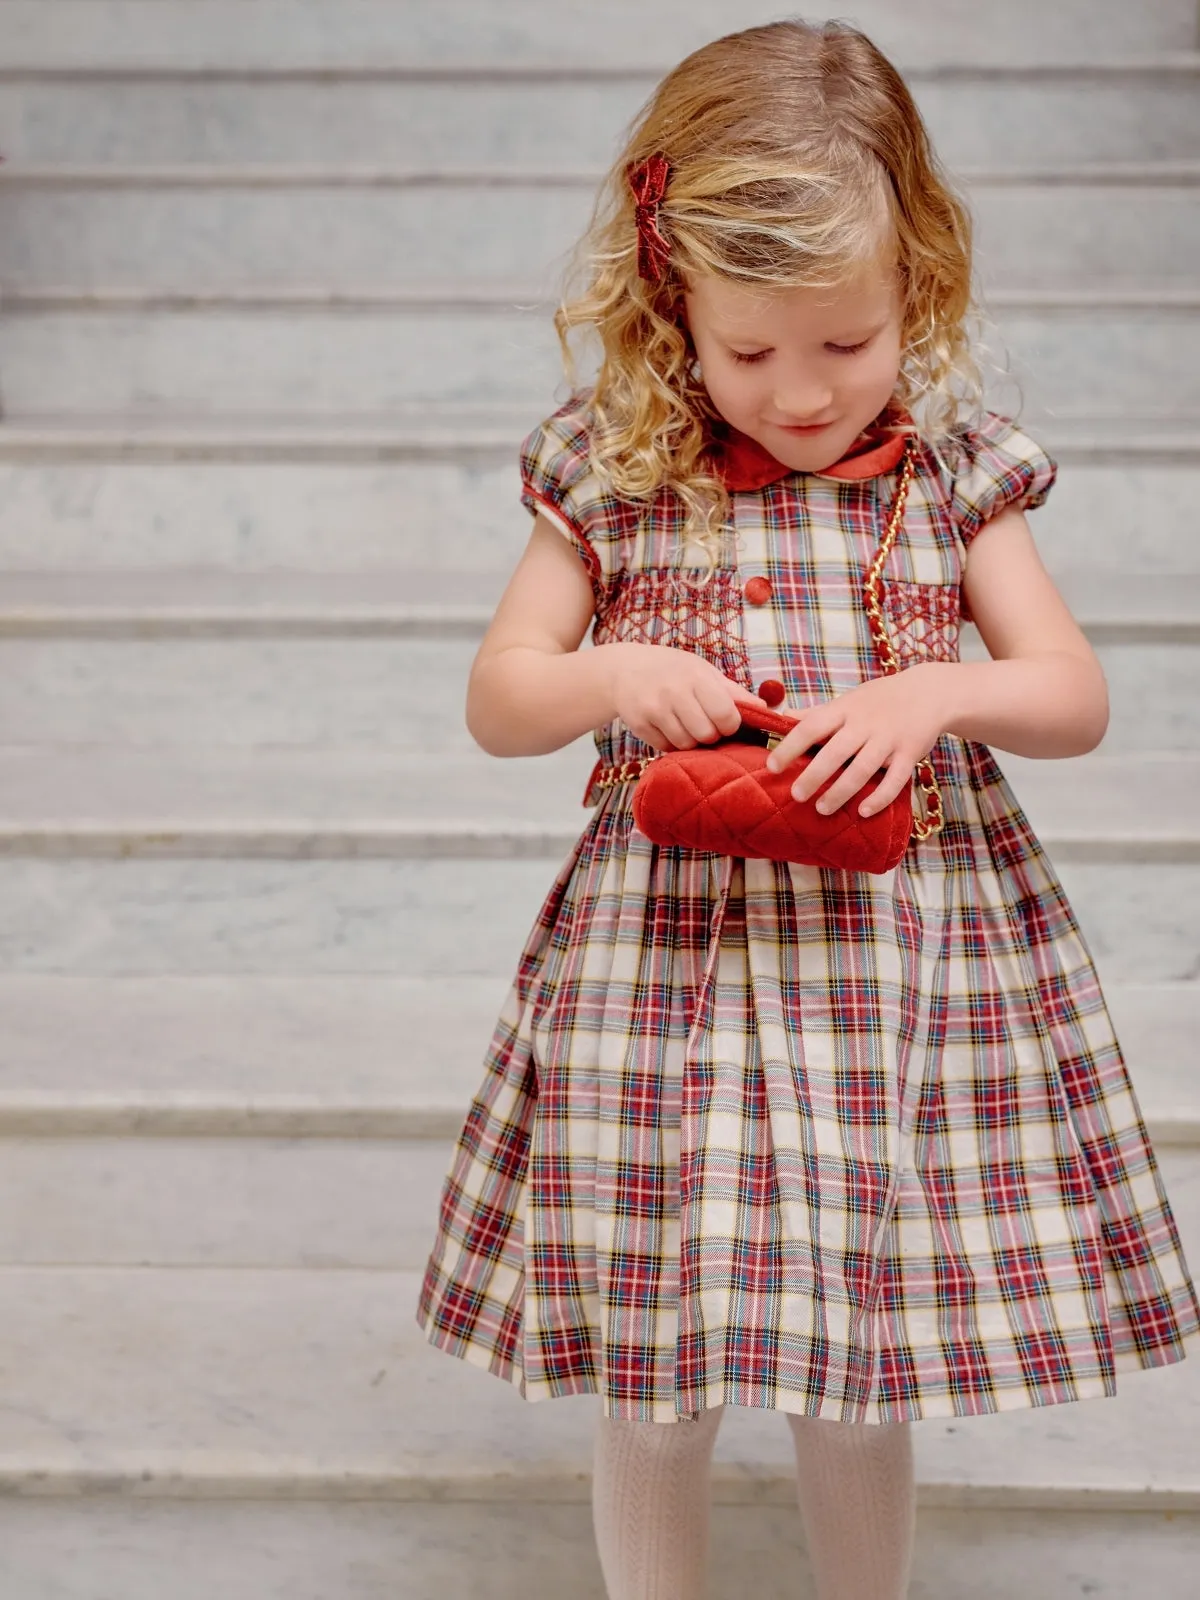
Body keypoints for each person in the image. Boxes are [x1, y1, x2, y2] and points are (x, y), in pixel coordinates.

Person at [415, 19, 1200, 1598]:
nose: (804, 393)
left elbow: (1073, 693)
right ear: (672, 307)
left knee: (864, 1352)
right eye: (751, 353)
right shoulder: (618, 469)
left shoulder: (952, 474)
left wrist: (937, 692)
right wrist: (612, 672)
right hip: (669, 969)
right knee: (659, 1353)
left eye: (847, 345)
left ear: (921, 285)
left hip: (896, 961)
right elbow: (502, 696)